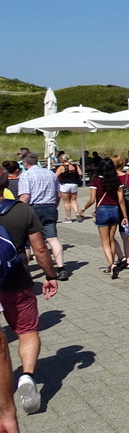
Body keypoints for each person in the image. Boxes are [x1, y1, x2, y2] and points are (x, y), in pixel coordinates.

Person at [0, 166, 59, 415]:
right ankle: (26, 377)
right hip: (17, 280)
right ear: (7, 181)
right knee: (26, 330)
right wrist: (50, 275)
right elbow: (40, 250)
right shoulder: (22, 210)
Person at [17, 152, 67, 281]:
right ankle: (61, 268)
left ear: (25, 163)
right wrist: (54, 206)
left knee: (28, 241)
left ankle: (25, 271)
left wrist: (19, 210)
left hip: (33, 208)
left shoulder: (26, 175)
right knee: (53, 238)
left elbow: (25, 196)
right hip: (49, 206)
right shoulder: (50, 174)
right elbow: (58, 194)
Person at [80, 158, 129, 279]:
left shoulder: (95, 180)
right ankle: (111, 264)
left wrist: (83, 209)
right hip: (114, 210)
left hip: (102, 210)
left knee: (105, 242)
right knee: (112, 239)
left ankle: (111, 265)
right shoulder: (116, 180)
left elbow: (92, 200)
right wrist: (125, 216)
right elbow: (121, 200)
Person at [110, 154, 129, 269]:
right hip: (127, 208)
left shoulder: (110, 178)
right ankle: (128, 260)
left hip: (113, 207)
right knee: (125, 236)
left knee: (110, 236)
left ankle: (120, 256)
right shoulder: (128, 178)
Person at [54, 154, 83, 223]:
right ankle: (77, 213)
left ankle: (69, 217)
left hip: (65, 185)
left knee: (66, 202)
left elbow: (55, 176)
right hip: (74, 184)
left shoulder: (62, 167)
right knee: (73, 200)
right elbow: (81, 173)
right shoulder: (75, 166)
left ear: (62, 160)